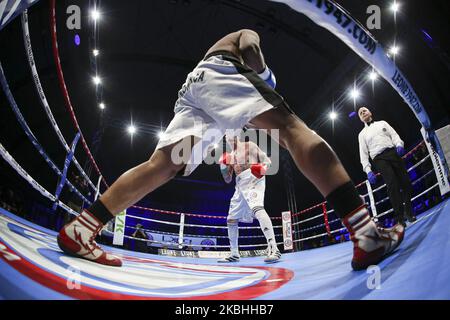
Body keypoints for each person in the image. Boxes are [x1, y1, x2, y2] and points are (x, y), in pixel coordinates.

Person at [57, 29, 404, 271]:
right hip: (221, 71)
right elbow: (250, 44)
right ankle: (366, 234)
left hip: (194, 88)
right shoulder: (243, 35)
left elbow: (257, 160)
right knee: (291, 128)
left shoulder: (242, 142)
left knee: (162, 165)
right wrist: (265, 76)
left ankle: (81, 229)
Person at [217, 135, 281, 263]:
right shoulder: (230, 156)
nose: (229, 137)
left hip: (253, 178)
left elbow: (267, 161)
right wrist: (223, 167)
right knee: (231, 219)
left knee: (257, 208)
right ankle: (234, 254)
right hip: (239, 184)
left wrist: (262, 168)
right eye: (227, 136)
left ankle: (274, 249)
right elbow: (228, 179)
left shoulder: (249, 146)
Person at [358, 106, 417, 226]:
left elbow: (394, 135)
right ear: (360, 119)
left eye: (364, 110)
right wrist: (368, 170)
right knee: (392, 185)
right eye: (360, 113)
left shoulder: (382, 123)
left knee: (406, 183)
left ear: (370, 112)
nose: (363, 112)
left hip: (392, 153)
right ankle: (400, 218)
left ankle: (409, 213)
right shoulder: (362, 134)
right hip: (379, 159)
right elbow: (363, 154)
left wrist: (399, 144)